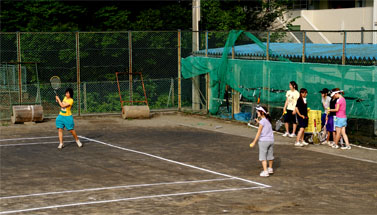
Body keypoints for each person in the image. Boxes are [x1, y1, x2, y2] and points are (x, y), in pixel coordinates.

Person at [250, 106, 274, 177]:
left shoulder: (262, 122)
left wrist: (254, 142)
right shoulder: (267, 120)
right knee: (270, 156)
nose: (257, 112)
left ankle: (265, 172)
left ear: (262, 112)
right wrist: (259, 122)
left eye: (258, 111)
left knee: (263, 157)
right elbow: (264, 123)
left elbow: (259, 132)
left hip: (264, 142)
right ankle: (270, 169)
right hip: (271, 141)